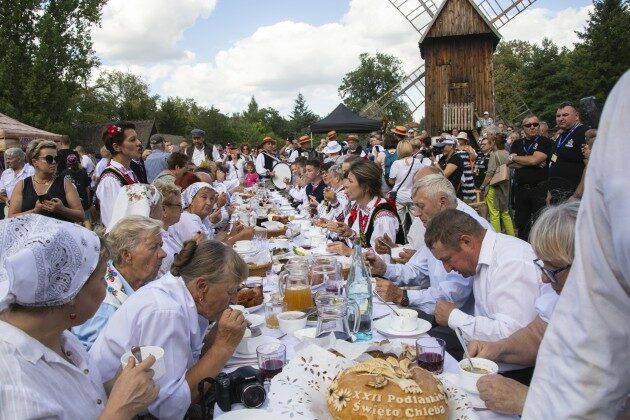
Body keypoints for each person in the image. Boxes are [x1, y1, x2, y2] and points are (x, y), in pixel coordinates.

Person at [523, 71, 630, 419]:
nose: (559, 119)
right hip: (563, 201)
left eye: (563, 115)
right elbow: (594, 325)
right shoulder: (622, 101)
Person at [0, 214, 158, 419]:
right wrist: (121, 409)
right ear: (71, 293)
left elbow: (77, 403)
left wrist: (119, 387)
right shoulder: (14, 380)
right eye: (102, 278)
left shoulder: (60, 335)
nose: (107, 286)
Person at [90, 239, 248, 419]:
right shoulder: (166, 313)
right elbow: (168, 408)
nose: (235, 300)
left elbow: (190, 364)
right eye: (230, 292)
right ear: (202, 287)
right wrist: (223, 347)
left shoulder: (176, 291)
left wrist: (219, 334)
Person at [466, 201, 579, 415]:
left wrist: (527, 400)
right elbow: (537, 335)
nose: (544, 278)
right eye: (542, 266)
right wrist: (497, 348)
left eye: (554, 269)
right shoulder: (561, 291)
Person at [367, 173, 492, 315]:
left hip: (464, 325)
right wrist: (383, 269)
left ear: (442, 202)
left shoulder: (469, 227)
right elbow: (417, 269)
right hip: (443, 317)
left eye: (421, 206)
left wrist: (403, 296)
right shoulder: (438, 223)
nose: (417, 214)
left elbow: (454, 295)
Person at [426, 209, 541, 344]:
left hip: (515, 363)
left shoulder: (510, 262)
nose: (447, 268)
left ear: (466, 242)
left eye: (447, 259)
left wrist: (453, 317)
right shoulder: (483, 260)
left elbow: (514, 336)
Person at [72, 215, 166, 349]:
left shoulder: (140, 282)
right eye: (153, 247)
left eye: (161, 245)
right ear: (126, 255)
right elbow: (89, 362)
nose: (163, 253)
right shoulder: (104, 307)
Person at [326, 160, 401, 256]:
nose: (345, 184)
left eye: (350, 181)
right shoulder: (360, 207)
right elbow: (366, 243)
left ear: (365, 187)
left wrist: (349, 252)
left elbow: (382, 259)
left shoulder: (383, 216)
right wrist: (351, 234)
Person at [9, 139, 84, 223]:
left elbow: (81, 216)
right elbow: (11, 217)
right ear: (35, 162)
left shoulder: (65, 184)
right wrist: (34, 211)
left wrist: (62, 210)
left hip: (59, 234)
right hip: (31, 235)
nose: (54, 162)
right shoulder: (22, 185)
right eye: (49, 158)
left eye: (56, 158)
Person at [508, 115, 552, 241]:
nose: (532, 127)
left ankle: (541, 251)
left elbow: (533, 160)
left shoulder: (546, 142)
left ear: (539, 126)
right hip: (521, 189)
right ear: (523, 128)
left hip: (539, 189)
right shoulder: (517, 143)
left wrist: (515, 158)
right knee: (522, 224)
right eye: (528, 125)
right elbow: (510, 164)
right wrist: (532, 161)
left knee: (540, 223)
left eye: (535, 124)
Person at [95, 122, 141, 230]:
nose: (139, 143)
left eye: (137, 139)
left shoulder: (128, 172)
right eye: (132, 140)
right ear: (116, 147)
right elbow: (115, 223)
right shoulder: (110, 180)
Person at [547, 102, 588, 204]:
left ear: (576, 116)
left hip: (572, 199)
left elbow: (590, 166)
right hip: (556, 196)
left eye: (565, 115)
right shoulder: (562, 135)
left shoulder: (583, 133)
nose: (561, 118)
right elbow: (554, 161)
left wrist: (577, 195)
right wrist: (549, 194)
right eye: (558, 116)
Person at [480, 133, 515, 236]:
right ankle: (512, 236)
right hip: (505, 185)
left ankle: (497, 237)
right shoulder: (507, 153)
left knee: (494, 214)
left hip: (494, 186)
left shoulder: (494, 155)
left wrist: (483, 186)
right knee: (505, 213)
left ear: (494, 143)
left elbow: (490, 173)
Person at [388, 139, 424, 237]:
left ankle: (403, 241)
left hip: (399, 196)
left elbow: (391, 181)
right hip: (413, 195)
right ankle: (417, 240)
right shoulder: (417, 162)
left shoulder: (396, 163)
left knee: (400, 222)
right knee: (416, 221)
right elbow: (421, 177)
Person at [153, 180, 184, 277]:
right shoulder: (157, 241)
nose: (181, 210)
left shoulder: (169, 231)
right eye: (179, 206)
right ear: (164, 209)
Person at [0, 148, 34, 217]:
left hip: (29, 210)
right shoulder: (6, 173)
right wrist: (6, 200)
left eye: (9, 159)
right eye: (6, 159)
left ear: (19, 159)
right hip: (10, 210)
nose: (7, 161)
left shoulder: (32, 170)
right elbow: (1, 191)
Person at [61, 154, 92, 227]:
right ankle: (89, 236)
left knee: (76, 222)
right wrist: (88, 199)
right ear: (77, 161)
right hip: (84, 198)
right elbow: (87, 187)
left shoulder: (64, 173)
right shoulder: (83, 171)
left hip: (72, 200)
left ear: (67, 162)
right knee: (87, 219)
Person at [455, 132, 476, 203]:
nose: (460, 140)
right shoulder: (455, 148)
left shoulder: (469, 147)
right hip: (458, 171)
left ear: (465, 140)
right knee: (460, 189)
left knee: (470, 188)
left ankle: (474, 206)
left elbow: (473, 158)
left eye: (462, 139)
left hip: (467, 171)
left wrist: (469, 152)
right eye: (459, 138)